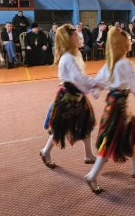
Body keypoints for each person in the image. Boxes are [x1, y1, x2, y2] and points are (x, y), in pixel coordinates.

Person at [84, 27, 135, 194]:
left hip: (114, 103)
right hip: (119, 107)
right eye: (128, 40)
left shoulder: (110, 63)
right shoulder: (124, 63)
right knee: (111, 141)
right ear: (122, 44)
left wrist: (98, 88)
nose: (130, 42)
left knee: (132, 134)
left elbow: (96, 86)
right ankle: (92, 174)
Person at [40, 24, 103, 170]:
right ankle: (45, 151)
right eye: (76, 36)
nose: (79, 37)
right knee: (60, 128)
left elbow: (81, 78)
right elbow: (78, 78)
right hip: (68, 97)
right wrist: (96, 84)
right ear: (68, 39)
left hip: (77, 94)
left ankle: (88, 154)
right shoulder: (68, 57)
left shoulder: (76, 54)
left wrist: (93, 87)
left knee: (86, 122)